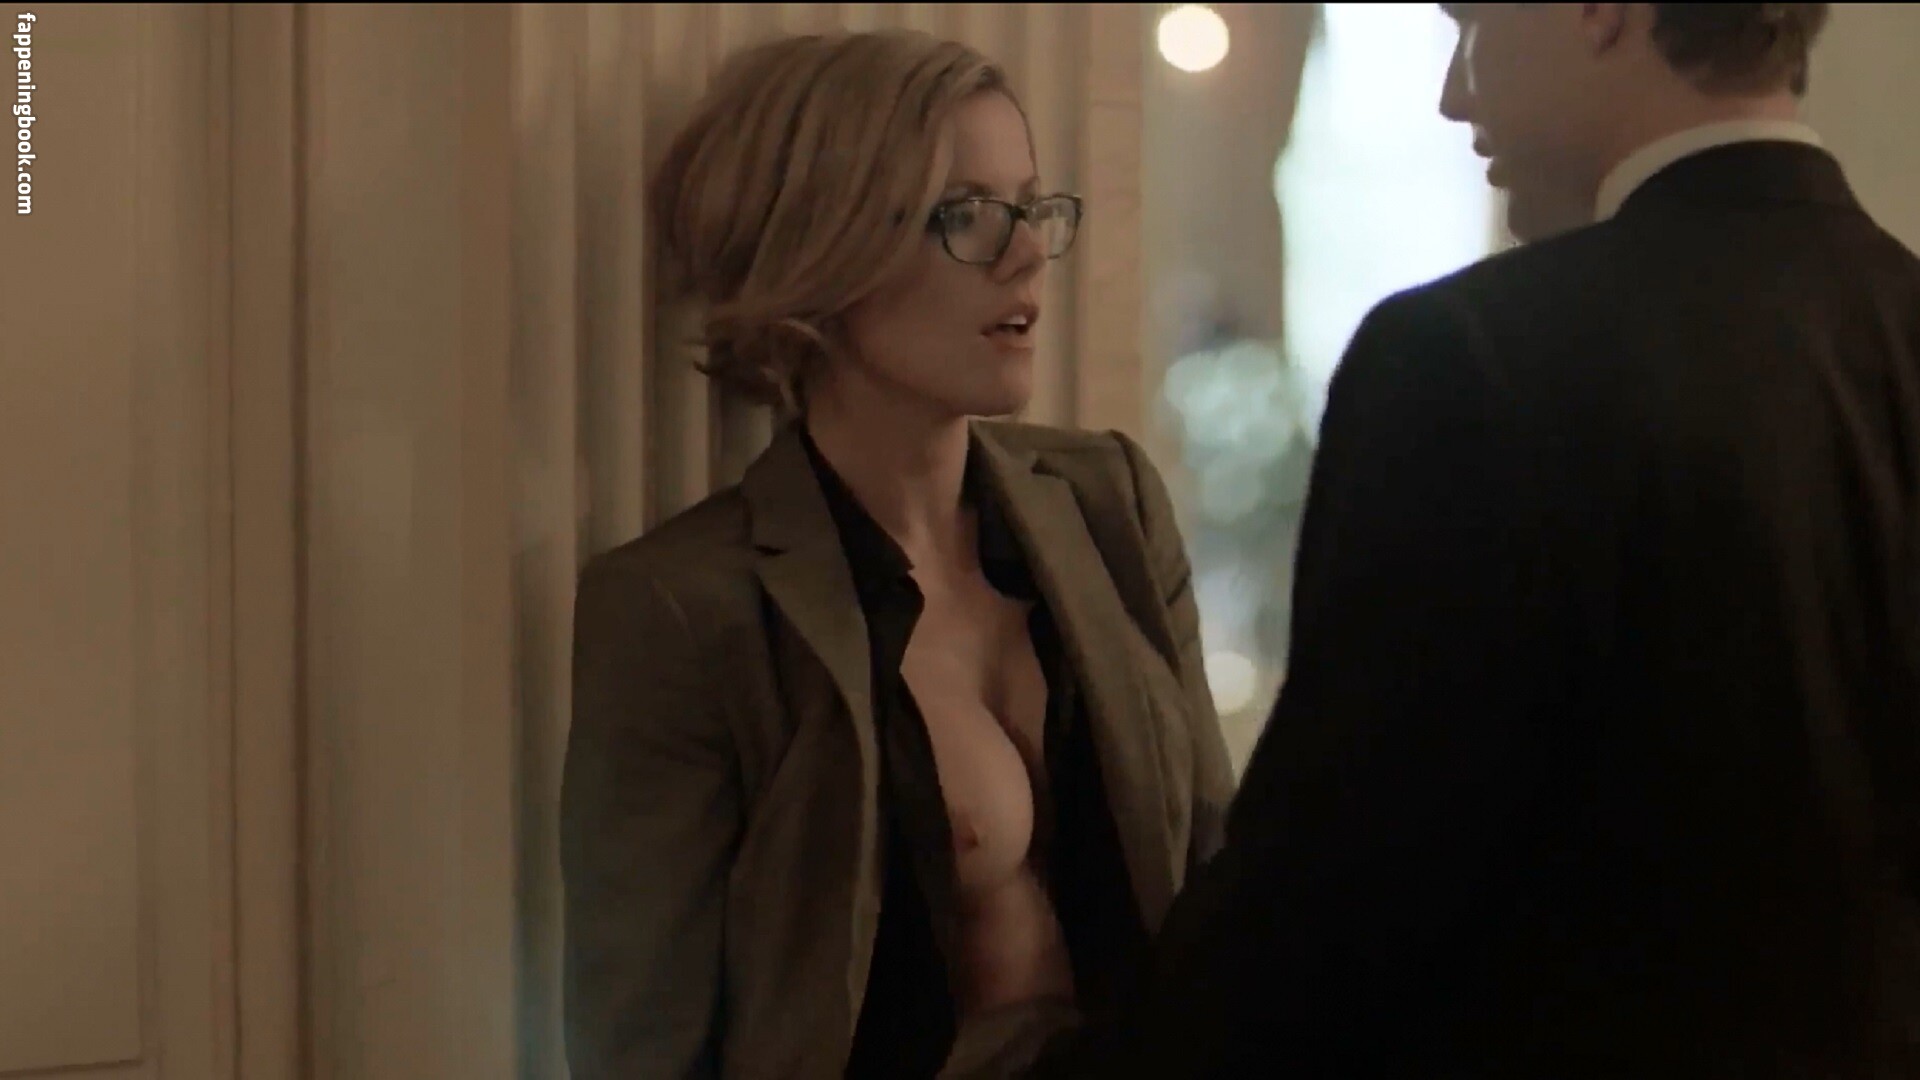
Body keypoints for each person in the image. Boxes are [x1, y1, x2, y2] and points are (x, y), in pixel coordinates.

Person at [1027, 4, 1920, 1077]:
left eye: (1473, 23)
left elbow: (1335, 895)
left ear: (1601, 13)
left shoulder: (1472, 358)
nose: (1455, 94)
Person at [559, 29, 1234, 1080]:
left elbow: (1221, 885)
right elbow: (644, 1042)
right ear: (824, 248)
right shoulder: (685, 609)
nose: (1024, 255)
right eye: (966, 215)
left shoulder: (1110, 503)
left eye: (1033, 209)